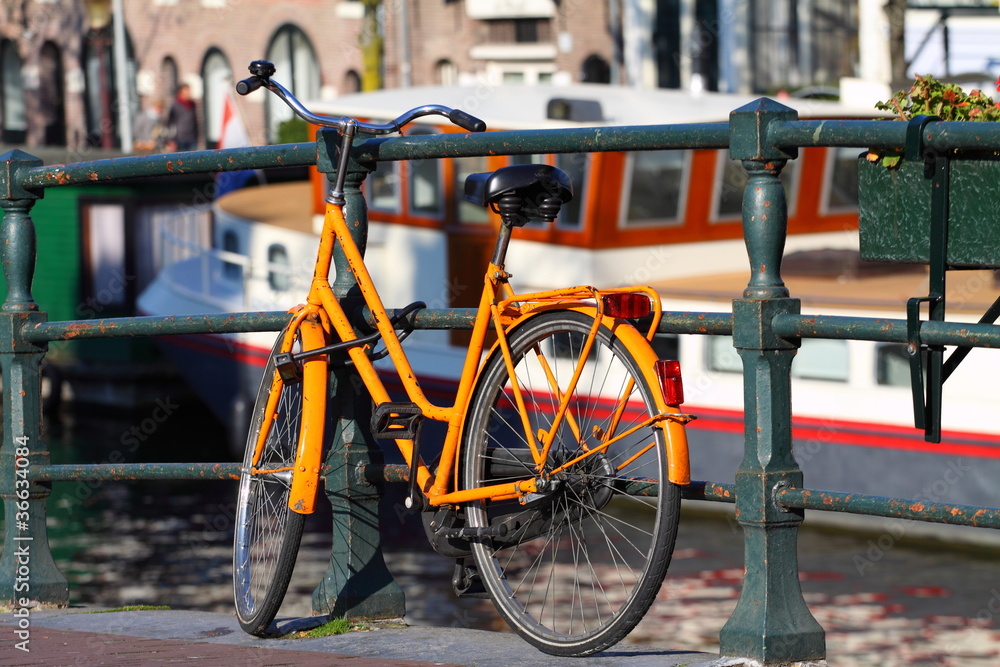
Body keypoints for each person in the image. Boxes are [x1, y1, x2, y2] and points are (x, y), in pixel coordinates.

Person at [166, 84, 198, 151]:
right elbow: (170, 123)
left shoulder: (192, 104)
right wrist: (171, 140)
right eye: (186, 91)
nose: (189, 93)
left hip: (192, 138)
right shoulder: (175, 106)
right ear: (181, 92)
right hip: (180, 139)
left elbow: (195, 122)